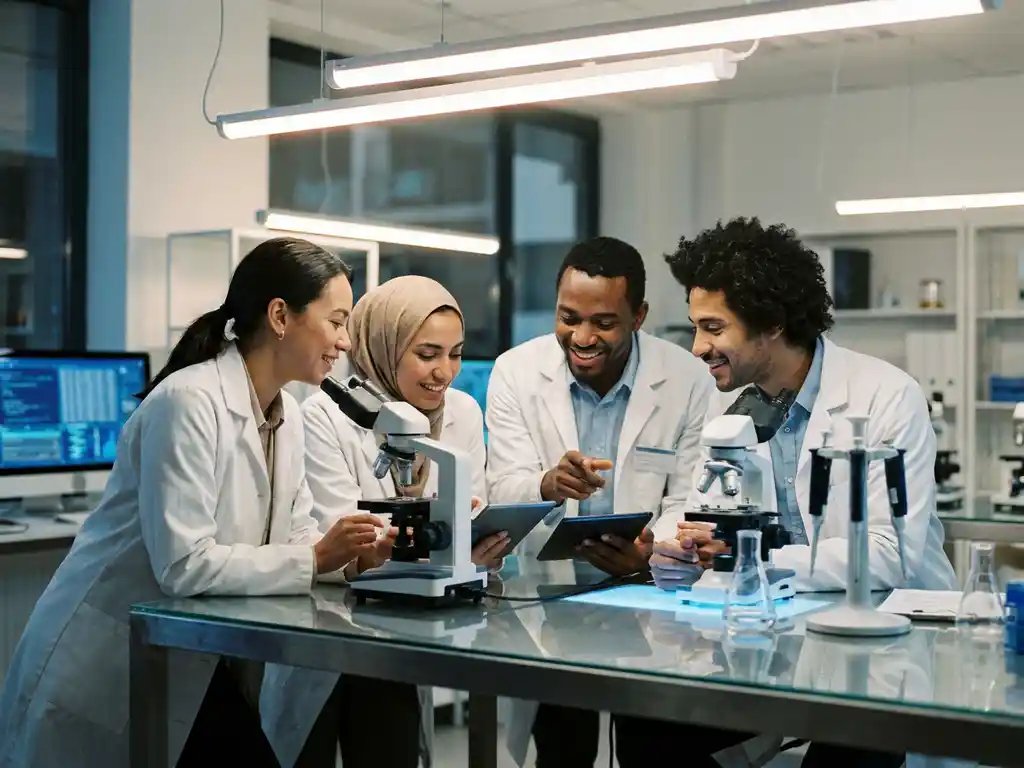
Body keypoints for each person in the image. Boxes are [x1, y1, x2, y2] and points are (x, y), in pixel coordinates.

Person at [0, 237, 383, 768]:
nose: (344, 342)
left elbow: (292, 537)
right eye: (336, 321)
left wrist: (348, 558)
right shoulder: (188, 401)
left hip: (193, 657)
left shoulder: (287, 415)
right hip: (112, 659)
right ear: (279, 316)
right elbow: (183, 564)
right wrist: (316, 558)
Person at [650, 217, 957, 768]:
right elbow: (701, 512)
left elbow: (890, 554)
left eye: (713, 328)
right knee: (653, 726)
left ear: (769, 323)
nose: (697, 347)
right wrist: (681, 550)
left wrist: (752, 556)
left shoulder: (885, 396)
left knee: (850, 749)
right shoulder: (728, 407)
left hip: (883, 639)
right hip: (777, 638)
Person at [485, 236, 715, 768]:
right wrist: (547, 484)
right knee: (562, 747)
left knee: (651, 743)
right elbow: (503, 486)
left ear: (639, 316)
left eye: (604, 323)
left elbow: (690, 495)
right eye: (568, 317)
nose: (582, 337)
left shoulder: (686, 379)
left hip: (649, 592)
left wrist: (652, 552)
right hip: (548, 596)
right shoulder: (516, 372)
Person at [260, 275, 508, 768]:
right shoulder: (326, 415)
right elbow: (344, 536)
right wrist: (440, 545)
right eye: (428, 353)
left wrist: (474, 549)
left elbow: (470, 506)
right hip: (330, 626)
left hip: (402, 634)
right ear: (383, 345)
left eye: (455, 354)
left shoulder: (461, 411)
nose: (445, 373)